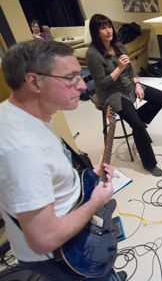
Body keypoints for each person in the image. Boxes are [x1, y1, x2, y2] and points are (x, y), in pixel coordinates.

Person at [0, 39, 126, 280]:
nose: (82, 85)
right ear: (34, 81)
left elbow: (46, 176)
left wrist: (86, 180)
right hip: (64, 255)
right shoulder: (24, 149)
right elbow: (44, 239)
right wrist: (95, 201)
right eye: (70, 78)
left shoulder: (22, 115)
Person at [85, 14, 162, 176]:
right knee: (137, 125)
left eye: (109, 26)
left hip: (128, 85)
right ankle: (150, 164)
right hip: (111, 93)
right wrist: (119, 68)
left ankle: (136, 119)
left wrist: (137, 83)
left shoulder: (118, 45)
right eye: (103, 28)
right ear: (96, 32)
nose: (109, 31)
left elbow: (130, 69)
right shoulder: (92, 54)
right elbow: (102, 83)